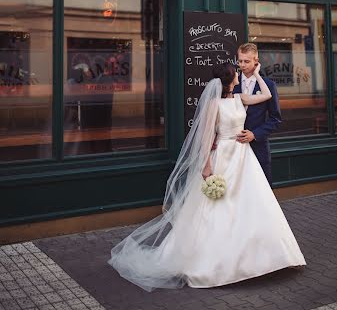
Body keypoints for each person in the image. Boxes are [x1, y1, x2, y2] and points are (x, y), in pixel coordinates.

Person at [108, 62, 306, 291]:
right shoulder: (214, 104)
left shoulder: (239, 98)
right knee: (219, 207)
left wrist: (259, 73)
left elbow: (266, 94)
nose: (239, 76)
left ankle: (268, 259)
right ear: (229, 79)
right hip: (223, 155)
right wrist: (206, 163)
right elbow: (205, 136)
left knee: (252, 204)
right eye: (235, 74)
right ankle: (215, 263)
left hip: (243, 157)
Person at [234, 42, 281, 184]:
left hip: (258, 146)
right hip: (234, 145)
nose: (242, 65)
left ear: (256, 61)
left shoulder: (269, 85)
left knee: (261, 188)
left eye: (247, 61)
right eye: (240, 61)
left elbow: (276, 119)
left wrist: (254, 134)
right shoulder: (231, 83)